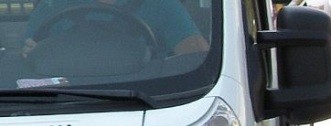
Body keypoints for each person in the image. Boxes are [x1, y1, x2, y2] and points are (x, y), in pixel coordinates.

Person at [23, 0, 209, 58]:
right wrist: (31, 54)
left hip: (148, 100)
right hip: (65, 101)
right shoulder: (53, 5)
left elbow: (198, 59)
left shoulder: (162, 5)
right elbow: (25, 61)